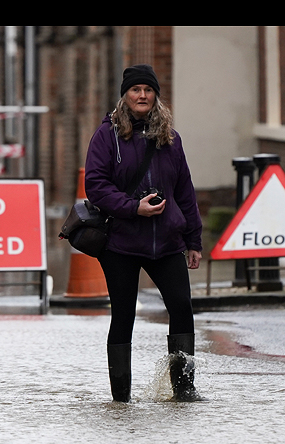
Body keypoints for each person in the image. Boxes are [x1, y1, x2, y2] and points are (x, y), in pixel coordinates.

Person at [85, 64, 203, 402]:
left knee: (181, 307)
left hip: (166, 242)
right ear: (125, 95)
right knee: (123, 314)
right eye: (136, 90)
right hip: (121, 242)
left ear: (156, 96)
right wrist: (132, 207)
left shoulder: (170, 138)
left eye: (148, 90)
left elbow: (185, 191)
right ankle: (121, 397)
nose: (142, 95)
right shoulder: (106, 136)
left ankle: (184, 389)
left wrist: (193, 241)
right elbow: (95, 185)